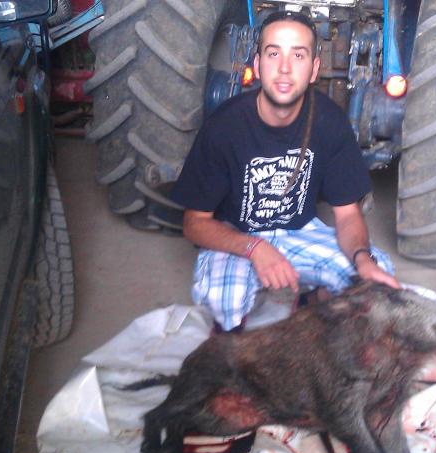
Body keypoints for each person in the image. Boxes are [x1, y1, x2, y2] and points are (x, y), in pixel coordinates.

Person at [170, 10, 399, 331]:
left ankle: (311, 304)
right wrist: (255, 248)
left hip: (299, 230)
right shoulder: (224, 126)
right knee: (226, 300)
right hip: (239, 236)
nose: (285, 68)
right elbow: (194, 224)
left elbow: (348, 215)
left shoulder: (330, 122)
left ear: (314, 69)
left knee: (374, 277)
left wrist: (363, 258)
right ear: (257, 65)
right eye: (274, 53)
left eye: (298, 55)